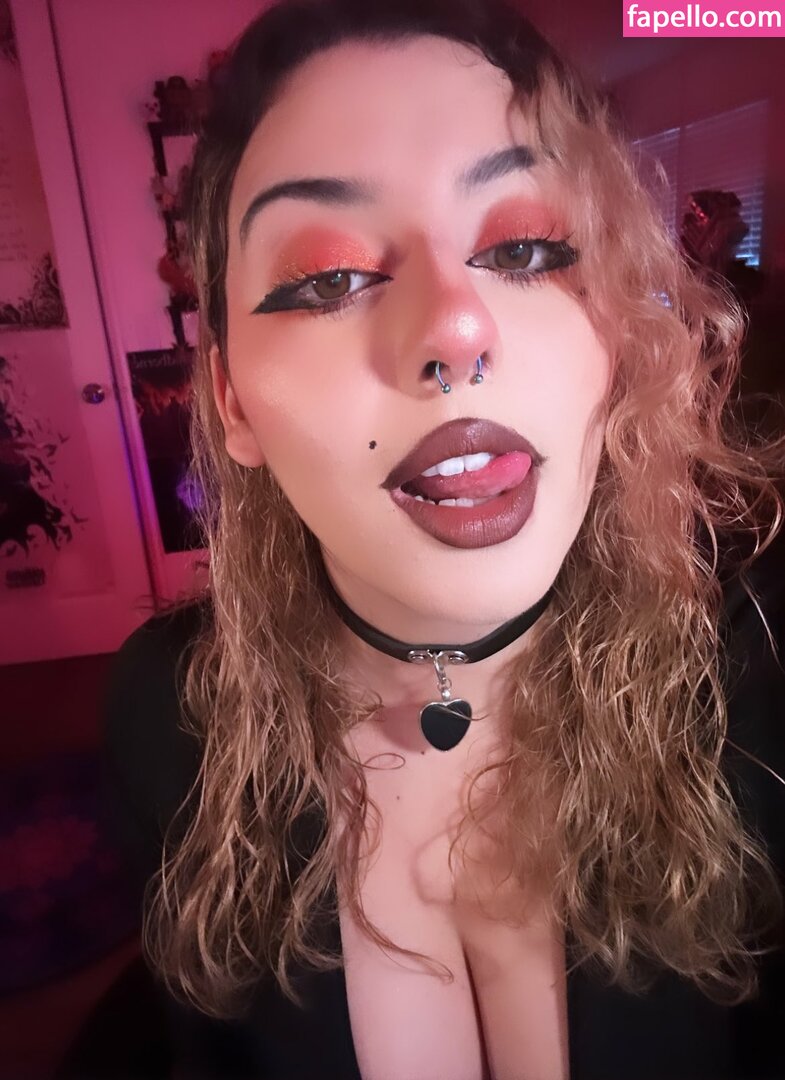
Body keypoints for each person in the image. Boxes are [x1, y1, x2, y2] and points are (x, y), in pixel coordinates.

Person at [102, 0, 785, 1076]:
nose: (456, 329)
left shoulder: (754, 675)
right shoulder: (167, 715)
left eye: (524, 248)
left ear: (613, 339)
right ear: (232, 402)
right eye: (329, 278)